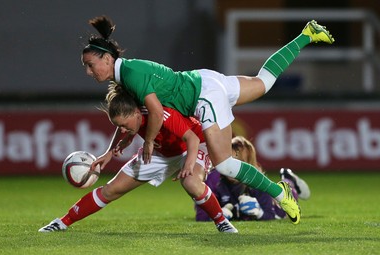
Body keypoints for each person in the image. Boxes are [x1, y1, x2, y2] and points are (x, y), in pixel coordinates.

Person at [82, 15, 335, 224]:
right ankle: (306, 34)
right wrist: (113, 149)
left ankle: (281, 192)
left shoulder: (131, 75)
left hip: (202, 96)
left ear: (107, 58)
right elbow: (131, 116)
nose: (88, 71)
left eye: (91, 65)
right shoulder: (126, 72)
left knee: (224, 164)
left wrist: (147, 142)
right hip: (203, 80)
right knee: (264, 82)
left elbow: (156, 113)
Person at [39, 86, 238, 233]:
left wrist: (188, 164)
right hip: (159, 152)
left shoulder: (162, 114)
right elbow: (122, 128)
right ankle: (62, 222)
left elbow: (192, 138)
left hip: (193, 146)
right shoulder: (131, 117)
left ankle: (222, 222)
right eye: (120, 127)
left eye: (126, 125)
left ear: (136, 113)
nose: (124, 130)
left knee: (191, 182)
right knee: (111, 189)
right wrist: (109, 151)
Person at [196, 136, 311, 221]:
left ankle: (289, 181)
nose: (232, 168)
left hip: (276, 207)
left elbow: (271, 215)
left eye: (239, 163)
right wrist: (217, 216)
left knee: (284, 203)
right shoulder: (213, 179)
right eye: (229, 161)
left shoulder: (257, 181)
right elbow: (201, 216)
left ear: (248, 164)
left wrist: (259, 213)